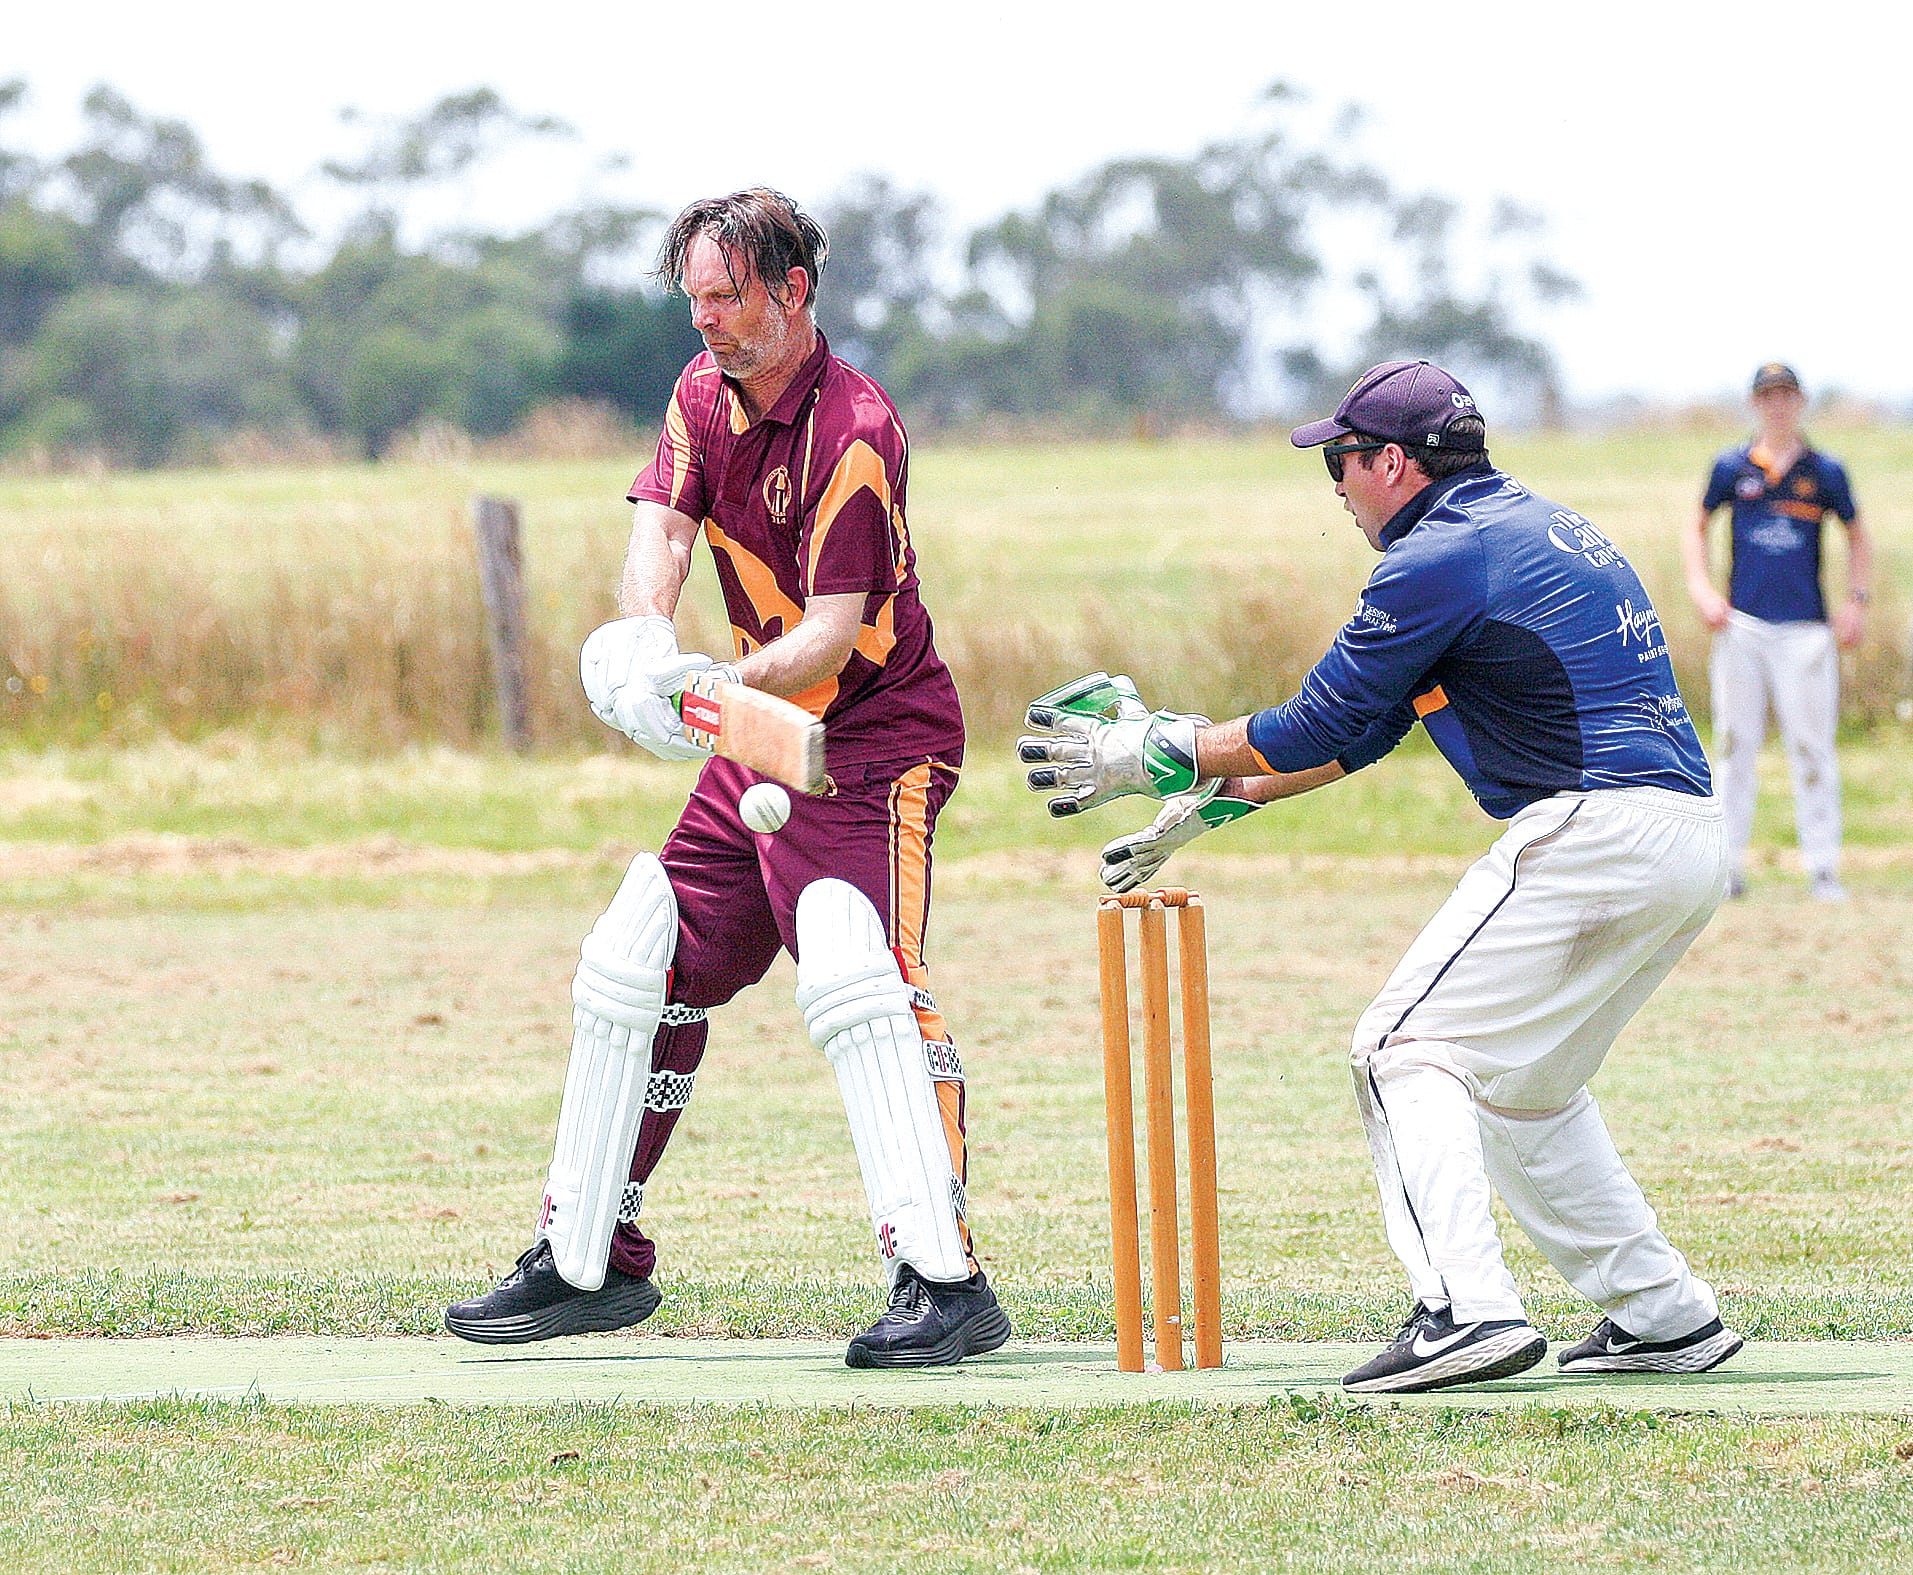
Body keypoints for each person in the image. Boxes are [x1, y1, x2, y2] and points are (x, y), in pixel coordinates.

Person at [1019, 359, 1743, 1394]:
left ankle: (1464, 1312)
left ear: (1394, 462)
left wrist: (1159, 745)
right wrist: (1229, 796)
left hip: (1592, 833)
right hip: (1681, 840)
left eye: (1342, 461)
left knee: (1396, 1050)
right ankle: (1664, 1316)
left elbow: (1315, 718)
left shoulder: (1436, 556)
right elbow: (1365, 732)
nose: (1336, 485)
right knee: (1522, 1092)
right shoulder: (1521, 526)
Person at [446, 189, 1009, 1369]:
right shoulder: (700, 394)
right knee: (636, 959)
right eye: (694, 298)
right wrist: (645, 644)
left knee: (866, 976)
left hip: (871, 738)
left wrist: (702, 691)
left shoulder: (854, 425)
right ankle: (586, 1257)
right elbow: (660, 525)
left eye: (728, 298)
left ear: (791, 291)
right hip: (757, 733)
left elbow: (832, 633)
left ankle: (942, 1278)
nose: (706, 322)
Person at [1683, 362, 1872, 902]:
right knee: (1735, 745)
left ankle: (1823, 869)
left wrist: (1856, 603)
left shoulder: (1824, 471)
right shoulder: (1733, 466)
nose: (1778, 405)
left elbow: (1859, 536)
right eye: (1768, 396)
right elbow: (1696, 526)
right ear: (1755, 403)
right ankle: (1726, 868)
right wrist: (1701, 590)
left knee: (1811, 748)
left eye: (1786, 395)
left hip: (1805, 631)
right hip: (1742, 626)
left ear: (1800, 401)